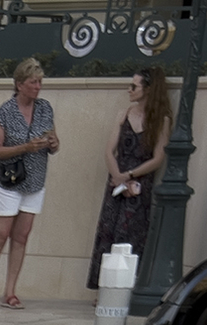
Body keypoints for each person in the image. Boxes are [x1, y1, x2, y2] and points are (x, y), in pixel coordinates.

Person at [0, 58, 58, 309]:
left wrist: (53, 144)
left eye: (40, 82)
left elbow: (54, 139)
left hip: (35, 181)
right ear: (19, 84)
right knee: (0, 234)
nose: (38, 87)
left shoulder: (45, 109)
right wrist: (26, 147)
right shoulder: (5, 112)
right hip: (8, 180)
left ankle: (10, 291)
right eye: (33, 82)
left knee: (22, 236)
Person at [89, 67, 170, 289]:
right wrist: (118, 176)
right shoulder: (124, 114)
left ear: (148, 89)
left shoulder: (160, 121)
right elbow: (109, 150)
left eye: (134, 86)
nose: (129, 90)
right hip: (117, 181)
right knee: (109, 231)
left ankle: (125, 288)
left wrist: (130, 176)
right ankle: (103, 288)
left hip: (139, 182)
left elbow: (158, 158)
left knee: (130, 234)